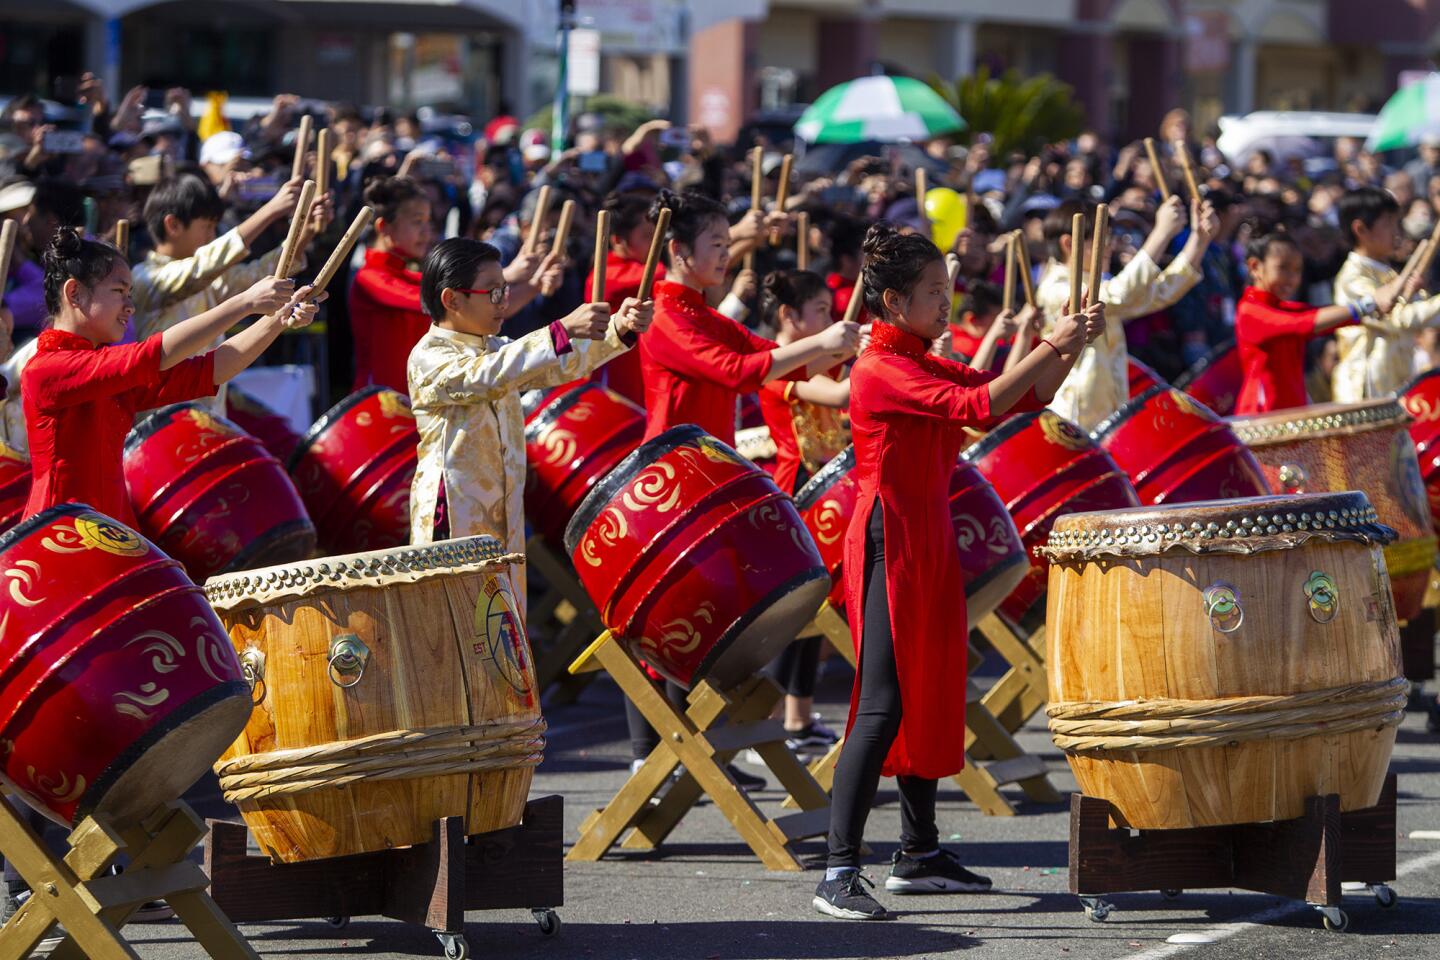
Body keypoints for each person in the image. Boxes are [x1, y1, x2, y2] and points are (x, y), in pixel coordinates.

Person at [813, 223, 1104, 922]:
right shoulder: (880, 368)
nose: (947, 303)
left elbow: (1023, 400)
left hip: (927, 536)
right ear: (893, 301)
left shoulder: (916, 356)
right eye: (933, 292)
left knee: (928, 690)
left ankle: (918, 853)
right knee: (882, 702)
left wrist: (1071, 348)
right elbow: (980, 405)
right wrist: (1051, 343)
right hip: (888, 535)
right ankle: (837, 870)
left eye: (948, 290)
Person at [406, 237, 652, 611]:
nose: (503, 302)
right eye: (493, 292)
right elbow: (485, 375)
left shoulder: (493, 348)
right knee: (455, 620)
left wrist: (619, 327)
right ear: (452, 299)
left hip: (502, 511)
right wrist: (560, 330)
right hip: (453, 514)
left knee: (499, 619)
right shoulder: (428, 356)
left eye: (504, 290)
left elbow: (555, 363)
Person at [23, 229, 318, 528]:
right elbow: (151, 355)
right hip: (59, 535)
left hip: (111, 530)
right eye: (119, 291)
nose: (130, 306)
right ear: (74, 293)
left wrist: (278, 319)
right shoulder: (46, 370)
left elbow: (211, 370)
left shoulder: (103, 370)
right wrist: (244, 303)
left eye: (129, 294)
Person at [641, 189, 860, 445]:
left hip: (709, 458)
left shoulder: (706, 316)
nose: (726, 254)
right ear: (678, 249)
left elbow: (788, 363)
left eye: (727, 245)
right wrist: (823, 342)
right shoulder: (664, 317)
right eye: (717, 245)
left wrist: (858, 342)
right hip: (675, 459)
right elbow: (736, 372)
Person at [756, 269, 851, 759]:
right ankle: (767, 722)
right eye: (821, 311)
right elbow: (841, 395)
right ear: (789, 316)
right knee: (795, 612)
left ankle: (798, 716)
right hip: (799, 493)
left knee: (819, 608)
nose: (830, 320)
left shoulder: (808, 361)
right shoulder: (777, 369)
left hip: (823, 491)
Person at [1035, 196, 1215, 430]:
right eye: (1102, 239)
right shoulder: (1054, 288)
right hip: (1073, 418)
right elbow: (1119, 294)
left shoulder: (1100, 282)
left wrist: (1199, 239)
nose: (1110, 246)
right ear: (1069, 243)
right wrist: (1161, 233)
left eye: (1110, 237)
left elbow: (1158, 294)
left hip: (1108, 415)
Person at [1234, 232, 1400, 415]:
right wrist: (1368, 304)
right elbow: (1302, 324)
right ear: (1255, 267)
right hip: (1261, 416)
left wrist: (1378, 302)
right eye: (1283, 268)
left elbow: (1320, 316)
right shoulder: (1249, 311)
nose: (1292, 278)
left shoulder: (1284, 308)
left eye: (1297, 270)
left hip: (1289, 413)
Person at [1331, 187, 1433, 401]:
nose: (1396, 231)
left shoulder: (1387, 273)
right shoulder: (1352, 278)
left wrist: (1417, 294)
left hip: (1396, 384)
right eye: (1388, 224)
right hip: (1366, 391)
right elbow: (1398, 318)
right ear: (1360, 229)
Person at [350, 176, 436, 393]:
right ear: (384, 227)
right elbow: (435, 298)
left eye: (428, 222)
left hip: (410, 401)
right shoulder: (369, 278)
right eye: (417, 222)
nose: (427, 232)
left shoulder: (407, 276)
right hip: (379, 403)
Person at [584, 192, 663, 406]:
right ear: (618, 239)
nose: (656, 244)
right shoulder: (605, 275)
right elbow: (660, 275)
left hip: (640, 377)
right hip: (615, 382)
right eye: (647, 236)